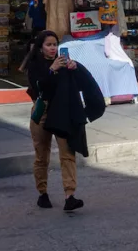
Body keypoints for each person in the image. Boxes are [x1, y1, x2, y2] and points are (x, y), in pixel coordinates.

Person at [25, 30, 106, 211]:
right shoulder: (35, 65)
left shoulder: (64, 63)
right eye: (49, 45)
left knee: (68, 152)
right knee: (41, 155)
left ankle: (70, 195)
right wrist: (52, 69)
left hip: (62, 111)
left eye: (55, 45)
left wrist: (75, 68)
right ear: (41, 47)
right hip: (43, 110)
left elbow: (83, 83)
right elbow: (39, 87)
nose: (53, 48)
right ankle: (42, 193)